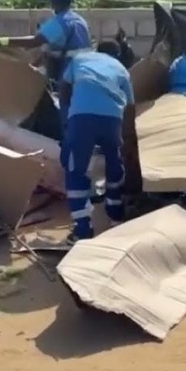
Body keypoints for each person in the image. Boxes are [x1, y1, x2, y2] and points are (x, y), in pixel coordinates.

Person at [59, 39, 136, 242]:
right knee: (114, 164)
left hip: (82, 117)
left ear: (97, 50)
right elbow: (130, 106)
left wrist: (66, 114)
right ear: (117, 55)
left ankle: (83, 230)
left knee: (77, 169)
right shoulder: (121, 69)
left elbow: (64, 85)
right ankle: (116, 217)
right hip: (112, 118)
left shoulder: (81, 58)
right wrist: (125, 137)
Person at [0, 0, 92, 84]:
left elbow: (34, 42)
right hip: (87, 70)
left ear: (52, 2)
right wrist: (33, 66)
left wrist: (2, 41)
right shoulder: (80, 20)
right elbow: (51, 51)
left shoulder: (60, 22)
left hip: (70, 74)